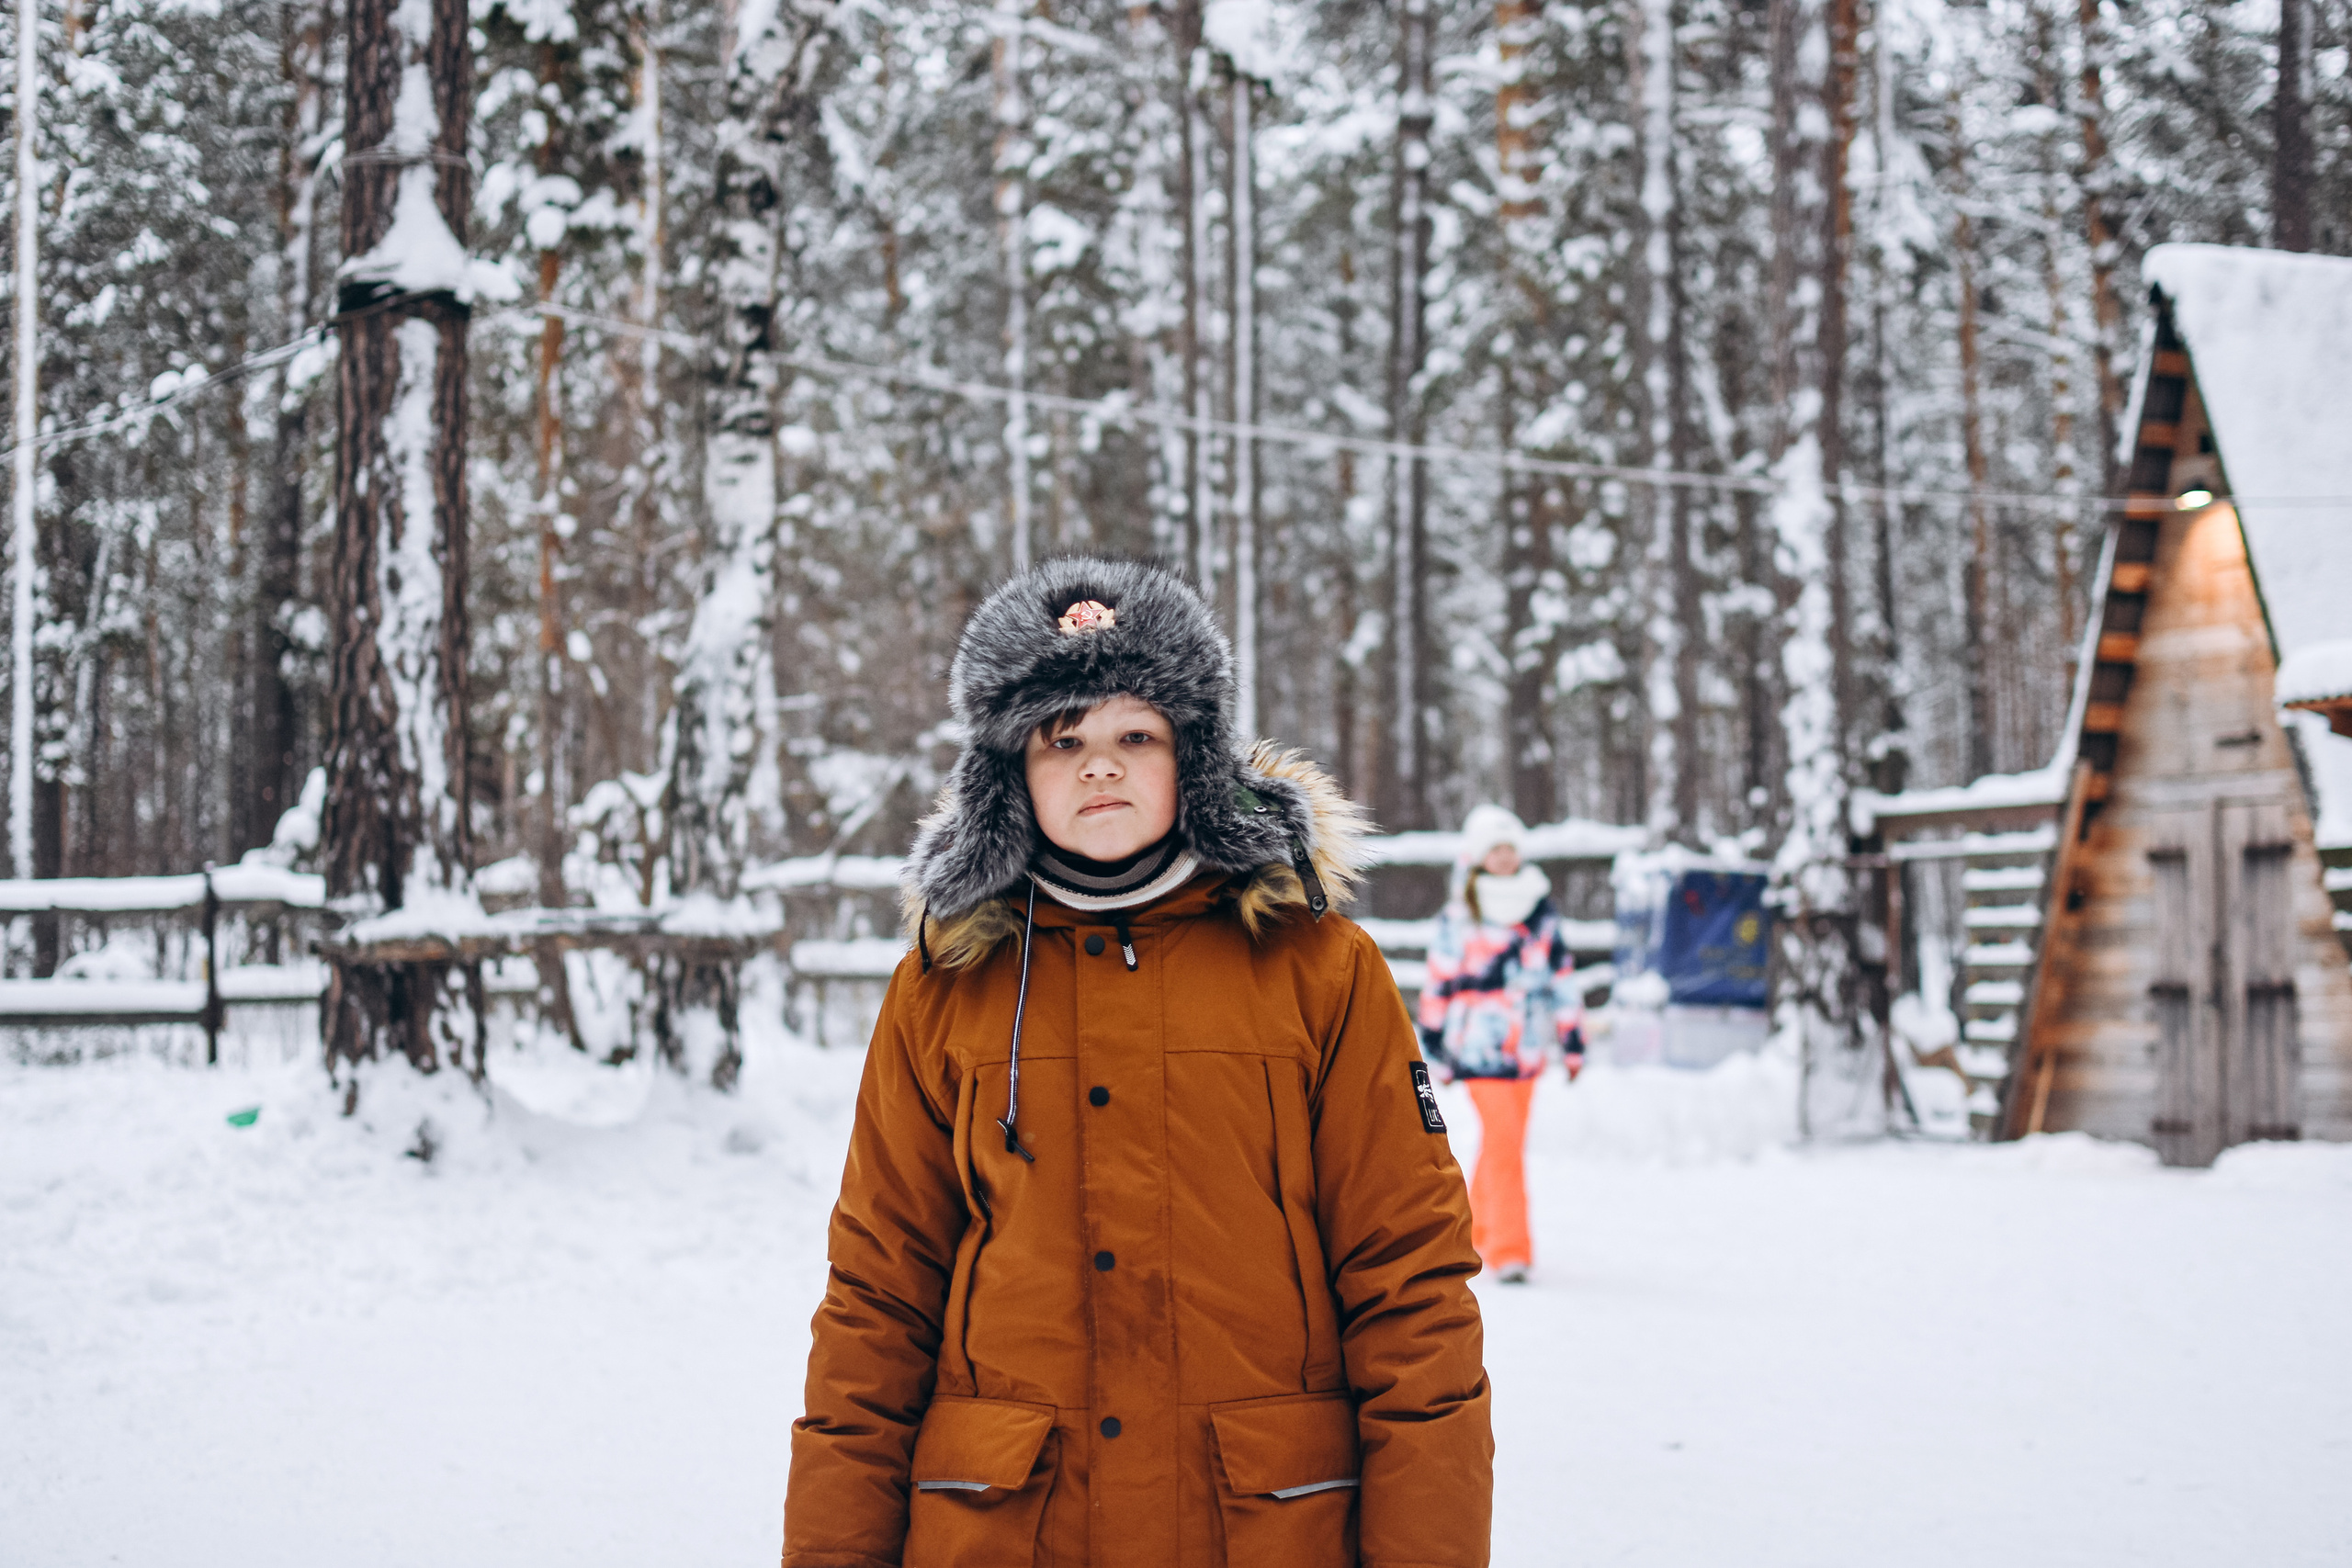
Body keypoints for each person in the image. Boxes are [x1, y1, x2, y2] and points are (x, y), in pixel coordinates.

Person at [784, 558, 1493, 1568]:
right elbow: (876, 1300)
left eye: (1135, 737)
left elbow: (1410, 1288)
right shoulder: (944, 986)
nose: (1099, 768)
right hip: (1003, 1531)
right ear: (1009, 773)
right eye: (1062, 739)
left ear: (1192, 756)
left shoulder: (1321, 970)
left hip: (1263, 1530)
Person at [1416, 805, 1585, 1285]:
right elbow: (1439, 981)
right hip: (1478, 1049)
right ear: (1478, 857)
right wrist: (1433, 1045)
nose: (1505, 857)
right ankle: (1511, 1250)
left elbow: (1562, 979)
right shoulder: (1460, 916)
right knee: (1504, 1142)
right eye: (1496, 849)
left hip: (1526, 1049)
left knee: (1501, 1145)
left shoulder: (1540, 912)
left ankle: (1470, 1234)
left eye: (1511, 848)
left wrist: (1572, 1040)